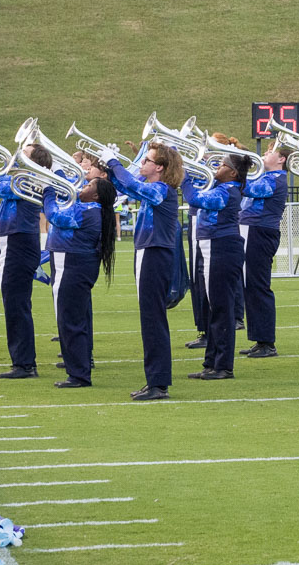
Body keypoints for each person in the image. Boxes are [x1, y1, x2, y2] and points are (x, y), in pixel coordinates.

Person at [104, 142, 183, 401]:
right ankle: (155, 380)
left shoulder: (163, 190)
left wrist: (115, 163)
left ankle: (158, 383)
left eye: (147, 160)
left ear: (159, 167)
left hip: (156, 254)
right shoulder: (154, 188)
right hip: (148, 252)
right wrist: (109, 166)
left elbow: (135, 185)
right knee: (149, 319)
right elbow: (126, 186)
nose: (143, 164)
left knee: (153, 319)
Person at [0, 144, 54, 380]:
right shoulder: (22, 178)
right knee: (14, 303)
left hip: (18, 242)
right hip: (12, 241)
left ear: (34, 161)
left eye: (23, 153)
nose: (15, 155)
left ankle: (24, 364)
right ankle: (22, 361)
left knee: (16, 304)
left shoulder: (27, 180)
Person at [44, 178, 117, 388]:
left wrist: (48, 191)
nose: (82, 187)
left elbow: (55, 216)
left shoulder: (88, 210)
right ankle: (78, 370)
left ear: (95, 195)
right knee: (72, 319)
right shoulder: (87, 208)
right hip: (73, 263)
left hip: (73, 264)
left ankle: (78, 375)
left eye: (88, 186)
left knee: (70, 320)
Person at [182, 153, 249, 382]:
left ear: (233, 173)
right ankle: (211, 363)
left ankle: (223, 366)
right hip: (213, 247)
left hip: (221, 248)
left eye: (222, 165)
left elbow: (196, 199)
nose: (217, 168)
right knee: (213, 308)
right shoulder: (222, 187)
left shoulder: (227, 191)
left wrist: (184, 178)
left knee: (221, 309)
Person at [238, 149, 288, 359]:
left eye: (270, 151)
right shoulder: (268, 177)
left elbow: (249, 189)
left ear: (282, 159)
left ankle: (267, 342)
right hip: (254, 230)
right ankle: (260, 339)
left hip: (259, 231)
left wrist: (236, 171)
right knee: (252, 286)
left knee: (258, 286)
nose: (265, 154)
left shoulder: (275, 179)